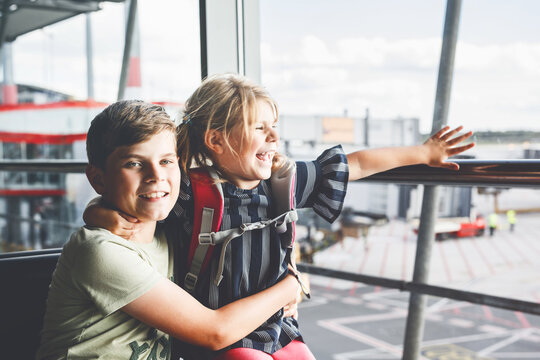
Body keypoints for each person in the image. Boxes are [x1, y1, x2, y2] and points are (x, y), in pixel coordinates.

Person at [85, 74, 475, 359]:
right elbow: (143, 200)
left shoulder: (282, 182)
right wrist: (99, 210)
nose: (273, 138)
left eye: (275, 127)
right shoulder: (191, 190)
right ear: (216, 141)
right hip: (223, 333)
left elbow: (352, 164)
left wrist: (422, 154)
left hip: (277, 322)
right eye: (259, 128)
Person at [37, 100, 301, 360]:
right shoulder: (99, 251)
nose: (156, 176)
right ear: (98, 179)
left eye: (165, 161)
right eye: (134, 163)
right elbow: (215, 332)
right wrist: (292, 286)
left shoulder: (172, 232)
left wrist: (95, 208)